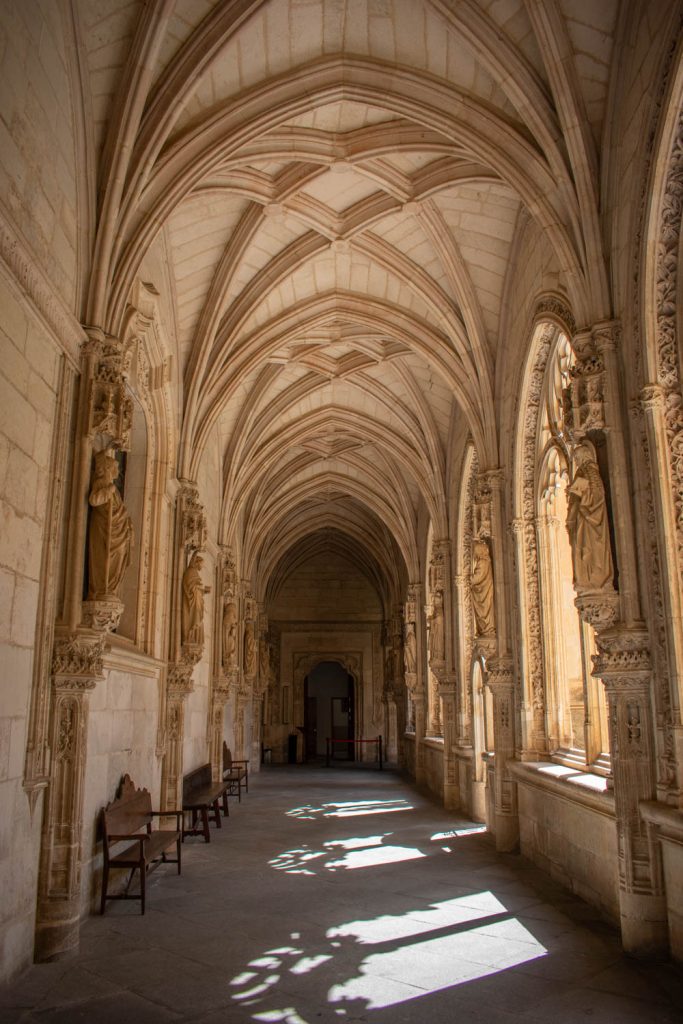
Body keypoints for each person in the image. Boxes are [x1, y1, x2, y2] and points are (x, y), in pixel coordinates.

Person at [566, 442, 614, 589]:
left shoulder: (590, 472)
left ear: (585, 456)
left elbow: (596, 497)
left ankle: (594, 579)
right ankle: (585, 579)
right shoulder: (583, 472)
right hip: (582, 517)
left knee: (590, 548)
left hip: (589, 518)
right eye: (575, 459)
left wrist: (579, 494)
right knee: (582, 548)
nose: (576, 461)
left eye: (577, 458)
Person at [87, 448, 133, 600]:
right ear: (108, 468)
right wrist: (108, 490)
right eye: (115, 468)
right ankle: (101, 590)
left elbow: (119, 510)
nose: (118, 471)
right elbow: (94, 500)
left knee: (117, 562)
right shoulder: (102, 483)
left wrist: (126, 521)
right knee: (104, 562)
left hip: (117, 533)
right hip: (104, 531)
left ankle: (110, 590)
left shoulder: (115, 490)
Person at [181, 551, 208, 646]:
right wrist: (202, 589)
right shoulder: (191, 572)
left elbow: (196, 587)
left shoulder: (194, 572)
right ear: (197, 562)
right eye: (201, 564)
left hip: (197, 602)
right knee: (195, 619)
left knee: (198, 620)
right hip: (193, 603)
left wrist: (203, 590)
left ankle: (194, 638)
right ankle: (190, 636)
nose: (202, 566)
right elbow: (190, 586)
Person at [471, 537, 495, 635]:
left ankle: (487, 630)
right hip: (482, 590)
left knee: (484, 611)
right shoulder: (485, 561)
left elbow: (477, 577)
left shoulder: (483, 562)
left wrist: (467, 579)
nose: (475, 554)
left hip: (484, 591)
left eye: (475, 551)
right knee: (484, 611)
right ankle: (485, 630)